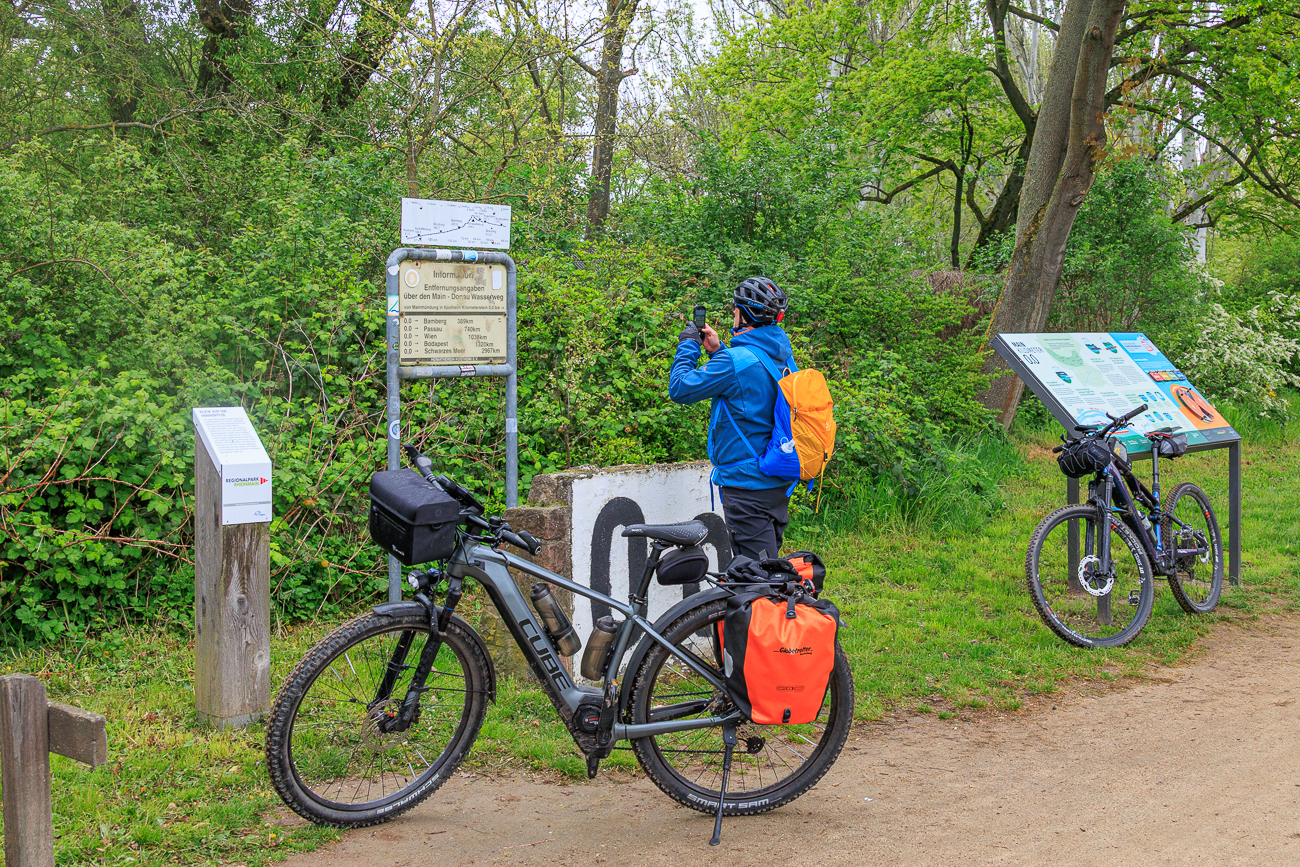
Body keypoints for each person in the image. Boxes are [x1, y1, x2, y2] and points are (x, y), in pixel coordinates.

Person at [669, 276, 795, 561]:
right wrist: (717, 351)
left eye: (735, 308)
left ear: (744, 314)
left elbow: (679, 388)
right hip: (776, 481)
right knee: (765, 564)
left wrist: (688, 345)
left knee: (756, 576)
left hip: (748, 487)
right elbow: (752, 389)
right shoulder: (781, 355)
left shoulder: (735, 362)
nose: (733, 313)